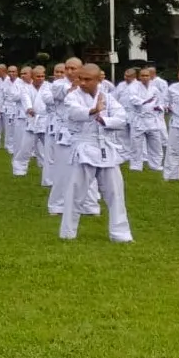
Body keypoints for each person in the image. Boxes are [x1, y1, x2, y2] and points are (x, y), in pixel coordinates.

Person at [59, 64, 132, 243]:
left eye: (87, 79)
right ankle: (68, 233)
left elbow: (122, 118)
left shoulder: (107, 97)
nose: (82, 83)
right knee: (75, 193)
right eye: (80, 78)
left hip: (106, 149)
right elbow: (74, 113)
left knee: (116, 194)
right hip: (84, 147)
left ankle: (120, 234)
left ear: (99, 79)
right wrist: (93, 110)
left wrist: (103, 119)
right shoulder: (72, 96)